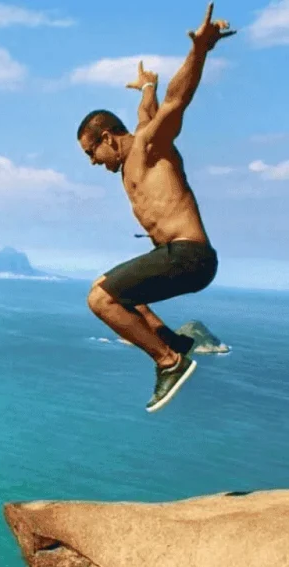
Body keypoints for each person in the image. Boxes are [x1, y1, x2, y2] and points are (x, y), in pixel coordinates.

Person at [75, 3, 236, 413]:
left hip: (190, 255)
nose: (93, 162)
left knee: (101, 300)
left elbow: (175, 103)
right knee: (118, 290)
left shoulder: (148, 146)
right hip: (172, 255)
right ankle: (173, 340)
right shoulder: (134, 151)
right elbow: (147, 111)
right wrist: (147, 86)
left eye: (92, 152)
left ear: (109, 138)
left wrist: (200, 50)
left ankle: (169, 361)